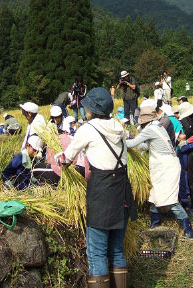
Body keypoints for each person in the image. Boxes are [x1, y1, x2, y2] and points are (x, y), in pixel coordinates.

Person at [55, 87, 137, 287]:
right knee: (116, 249)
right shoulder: (119, 127)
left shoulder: (88, 129)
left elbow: (67, 158)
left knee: (97, 252)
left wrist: (59, 158)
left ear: (92, 109)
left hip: (103, 194)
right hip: (123, 192)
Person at [126, 106, 193, 239]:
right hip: (165, 166)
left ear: (144, 121)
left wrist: (119, 140)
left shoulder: (150, 129)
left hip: (166, 167)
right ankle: (155, 225)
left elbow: (133, 143)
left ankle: (188, 229)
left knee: (170, 199)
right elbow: (146, 146)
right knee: (156, 196)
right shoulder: (158, 127)